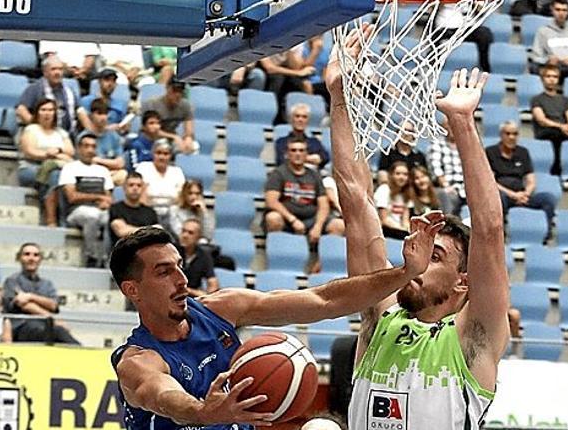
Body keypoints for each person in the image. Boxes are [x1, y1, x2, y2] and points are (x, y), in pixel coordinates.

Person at [325, 27, 509, 427]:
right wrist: (340, 96)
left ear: (462, 282)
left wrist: (462, 125)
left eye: (435, 255)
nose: (418, 258)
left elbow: (490, 229)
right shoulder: (380, 315)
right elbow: (355, 201)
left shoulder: (473, 339)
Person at [109, 219, 442, 428]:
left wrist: (405, 273)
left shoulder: (222, 308)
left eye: (180, 266)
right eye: (164, 272)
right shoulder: (138, 361)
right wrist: (202, 411)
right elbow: (162, 396)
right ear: (132, 290)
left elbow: (325, 300)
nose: (182, 280)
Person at [263, 138, 345, 242]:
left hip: (311, 219)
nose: (298, 154)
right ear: (287, 154)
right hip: (287, 219)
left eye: (301, 151)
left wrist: (318, 227)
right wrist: (292, 220)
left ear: (306, 154)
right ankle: (279, 253)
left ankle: (320, 258)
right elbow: (271, 201)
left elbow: (323, 204)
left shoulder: (315, 175)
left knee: (339, 225)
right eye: (293, 150)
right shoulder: (278, 174)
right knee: (273, 218)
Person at [486, 121, 556, 234]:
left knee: (548, 198)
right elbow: (490, 182)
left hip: (522, 195)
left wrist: (525, 194)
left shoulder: (523, 152)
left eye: (515, 134)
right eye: (508, 134)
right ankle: (500, 234)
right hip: (504, 194)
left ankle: (547, 234)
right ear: (501, 135)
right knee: (498, 198)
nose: (511, 137)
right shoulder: (490, 152)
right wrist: (513, 195)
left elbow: (531, 179)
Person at [2, 243, 80, 344]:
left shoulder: (47, 284)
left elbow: (53, 305)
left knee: (58, 335)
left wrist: (30, 296)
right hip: (21, 327)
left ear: (40, 259)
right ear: (19, 258)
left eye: (36, 255)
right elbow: (24, 305)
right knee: (58, 331)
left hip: (44, 326)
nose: (31, 258)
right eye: (27, 254)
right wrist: (51, 319)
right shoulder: (12, 281)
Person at [59, 132, 114, 268]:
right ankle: (92, 256)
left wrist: (105, 202)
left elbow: (108, 197)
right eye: (86, 146)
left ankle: (108, 259)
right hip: (76, 211)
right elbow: (72, 197)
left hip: (100, 210)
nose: (90, 150)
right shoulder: (70, 168)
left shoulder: (103, 171)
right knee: (92, 216)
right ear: (78, 148)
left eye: (93, 146)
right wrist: (98, 197)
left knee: (112, 219)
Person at [18, 98, 75, 226]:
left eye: (50, 110)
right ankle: (53, 219)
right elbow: (30, 151)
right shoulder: (31, 129)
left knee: (57, 176)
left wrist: (57, 150)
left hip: (57, 169)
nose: (47, 113)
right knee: (55, 176)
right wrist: (49, 155)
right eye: (43, 110)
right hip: (31, 167)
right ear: (37, 112)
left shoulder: (61, 132)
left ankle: (56, 219)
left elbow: (70, 151)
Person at [435, 0, 495, 73]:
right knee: (432, 35)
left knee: (485, 34)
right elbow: (431, 9)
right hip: (445, 26)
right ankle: (433, 68)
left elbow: (481, 11)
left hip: (467, 28)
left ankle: (485, 68)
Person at [531, 0, 568, 79]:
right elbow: (537, 55)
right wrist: (548, 60)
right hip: (550, 66)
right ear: (552, 10)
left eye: (564, 10)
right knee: (534, 67)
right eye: (558, 10)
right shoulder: (542, 31)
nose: (561, 13)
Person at [16, 55, 78, 133]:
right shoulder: (35, 88)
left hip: (67, 135)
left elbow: (79, 110)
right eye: (53, 69)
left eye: (60, 69)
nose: (57, 72)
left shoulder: (69, 90)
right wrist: (36, 128)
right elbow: (21, 110)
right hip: (41, 135)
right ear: (45, 72)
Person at [136, 138, 186, 226]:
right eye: (158, 153)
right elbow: (140, 196)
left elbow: (181, 197)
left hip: (172, 212)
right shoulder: (143, 168)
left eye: (165, 154)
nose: (162, 157)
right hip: (148, 209)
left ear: (170, 156)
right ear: (152, 154)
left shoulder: (177, 171)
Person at [259, 49, 316, 125]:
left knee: (299, 83)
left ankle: (299, 118)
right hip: (267, 74)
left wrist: (289, 50)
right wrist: (298, 73)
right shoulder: (263, 45)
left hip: (284, 73)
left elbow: (296, 67)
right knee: (278, 79)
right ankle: (274, 117)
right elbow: (270, 68)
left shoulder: (287, 45)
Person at [142, 79, 196, 154]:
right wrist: (174, 137)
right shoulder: (153, 104)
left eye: (180, 91)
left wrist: (188, 138)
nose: (177, 94)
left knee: (193, 147)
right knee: (163, 146)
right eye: (174, 90)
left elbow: (189, 128)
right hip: (152, 137)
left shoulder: (185, 105)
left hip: (170, 138)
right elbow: (151, 130)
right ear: (167, 88)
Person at [84, 98, 128, 186]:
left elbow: (120, 163)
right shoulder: (84, 137)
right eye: (99, 114)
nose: (103, 117)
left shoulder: (114, 136)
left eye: (105, 113)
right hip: (91, 177)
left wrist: (99, 160)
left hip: (111, 174)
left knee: (123, 174)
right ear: (91, 115)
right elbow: (87, 165)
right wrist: (110, 165)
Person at [274, 103, 330, 170]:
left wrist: (295, 158)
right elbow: (282, 160)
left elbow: (325, 158)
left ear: (307, 120)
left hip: (313, 176)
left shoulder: (314, 142)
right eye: (297, 116)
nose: (300, 120)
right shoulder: (281, 142)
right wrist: (310, 158)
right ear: (291, 119)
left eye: (304, 117)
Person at [429, 118, 466, 216]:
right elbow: (437, 171)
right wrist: (447, 186)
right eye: (449, 125)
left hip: (467, 187)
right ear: (444, 128)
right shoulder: (437, 145)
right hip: (448, 186)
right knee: (447, 197)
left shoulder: (466, 146)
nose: (453, 128)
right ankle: (450, 229)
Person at [109, 172, 159, 243]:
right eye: (131, 185)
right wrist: (149, 230)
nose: (135, 188)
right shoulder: (115, 208)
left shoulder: (150, 211)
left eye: (139, 185)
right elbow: (121, 231)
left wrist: (132, 230)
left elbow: (158, 232)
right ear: (124, 188)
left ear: (143, 188)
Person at [377, 121, 428, 185]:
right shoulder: (387, 153)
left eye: (409, 131)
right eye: (403, 130)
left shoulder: (419, 156)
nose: (406, 133)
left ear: (414, 135)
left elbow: (425, 176)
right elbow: (382, 174)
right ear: (397, 133)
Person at [178, 218, 219, 297]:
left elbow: (213, 284)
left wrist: (208, 296)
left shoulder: (204, 255)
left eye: (190, 233)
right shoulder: (171, 251)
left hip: (191, 298)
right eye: (183, 231)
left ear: (198, 237)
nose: (185, 235)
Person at [374, 161, 413, 239]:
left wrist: (408, 231)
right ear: (391, 175)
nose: (401, 177)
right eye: (398, 174)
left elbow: (405, 220)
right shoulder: (384, 190)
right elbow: (384, 220)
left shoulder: (407, 194)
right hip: (383, 230)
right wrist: (402, 230)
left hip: (399, 231)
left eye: (405, 174)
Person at [168, 179, 215, 244]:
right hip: (181, 245)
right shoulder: (174, 210)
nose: (194, 197)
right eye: (190, 193)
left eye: (197, 194)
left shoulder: (202, 210)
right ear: (184, 194)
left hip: (200, 246)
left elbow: (208, 235)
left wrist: (204, 212)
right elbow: (180, 234)